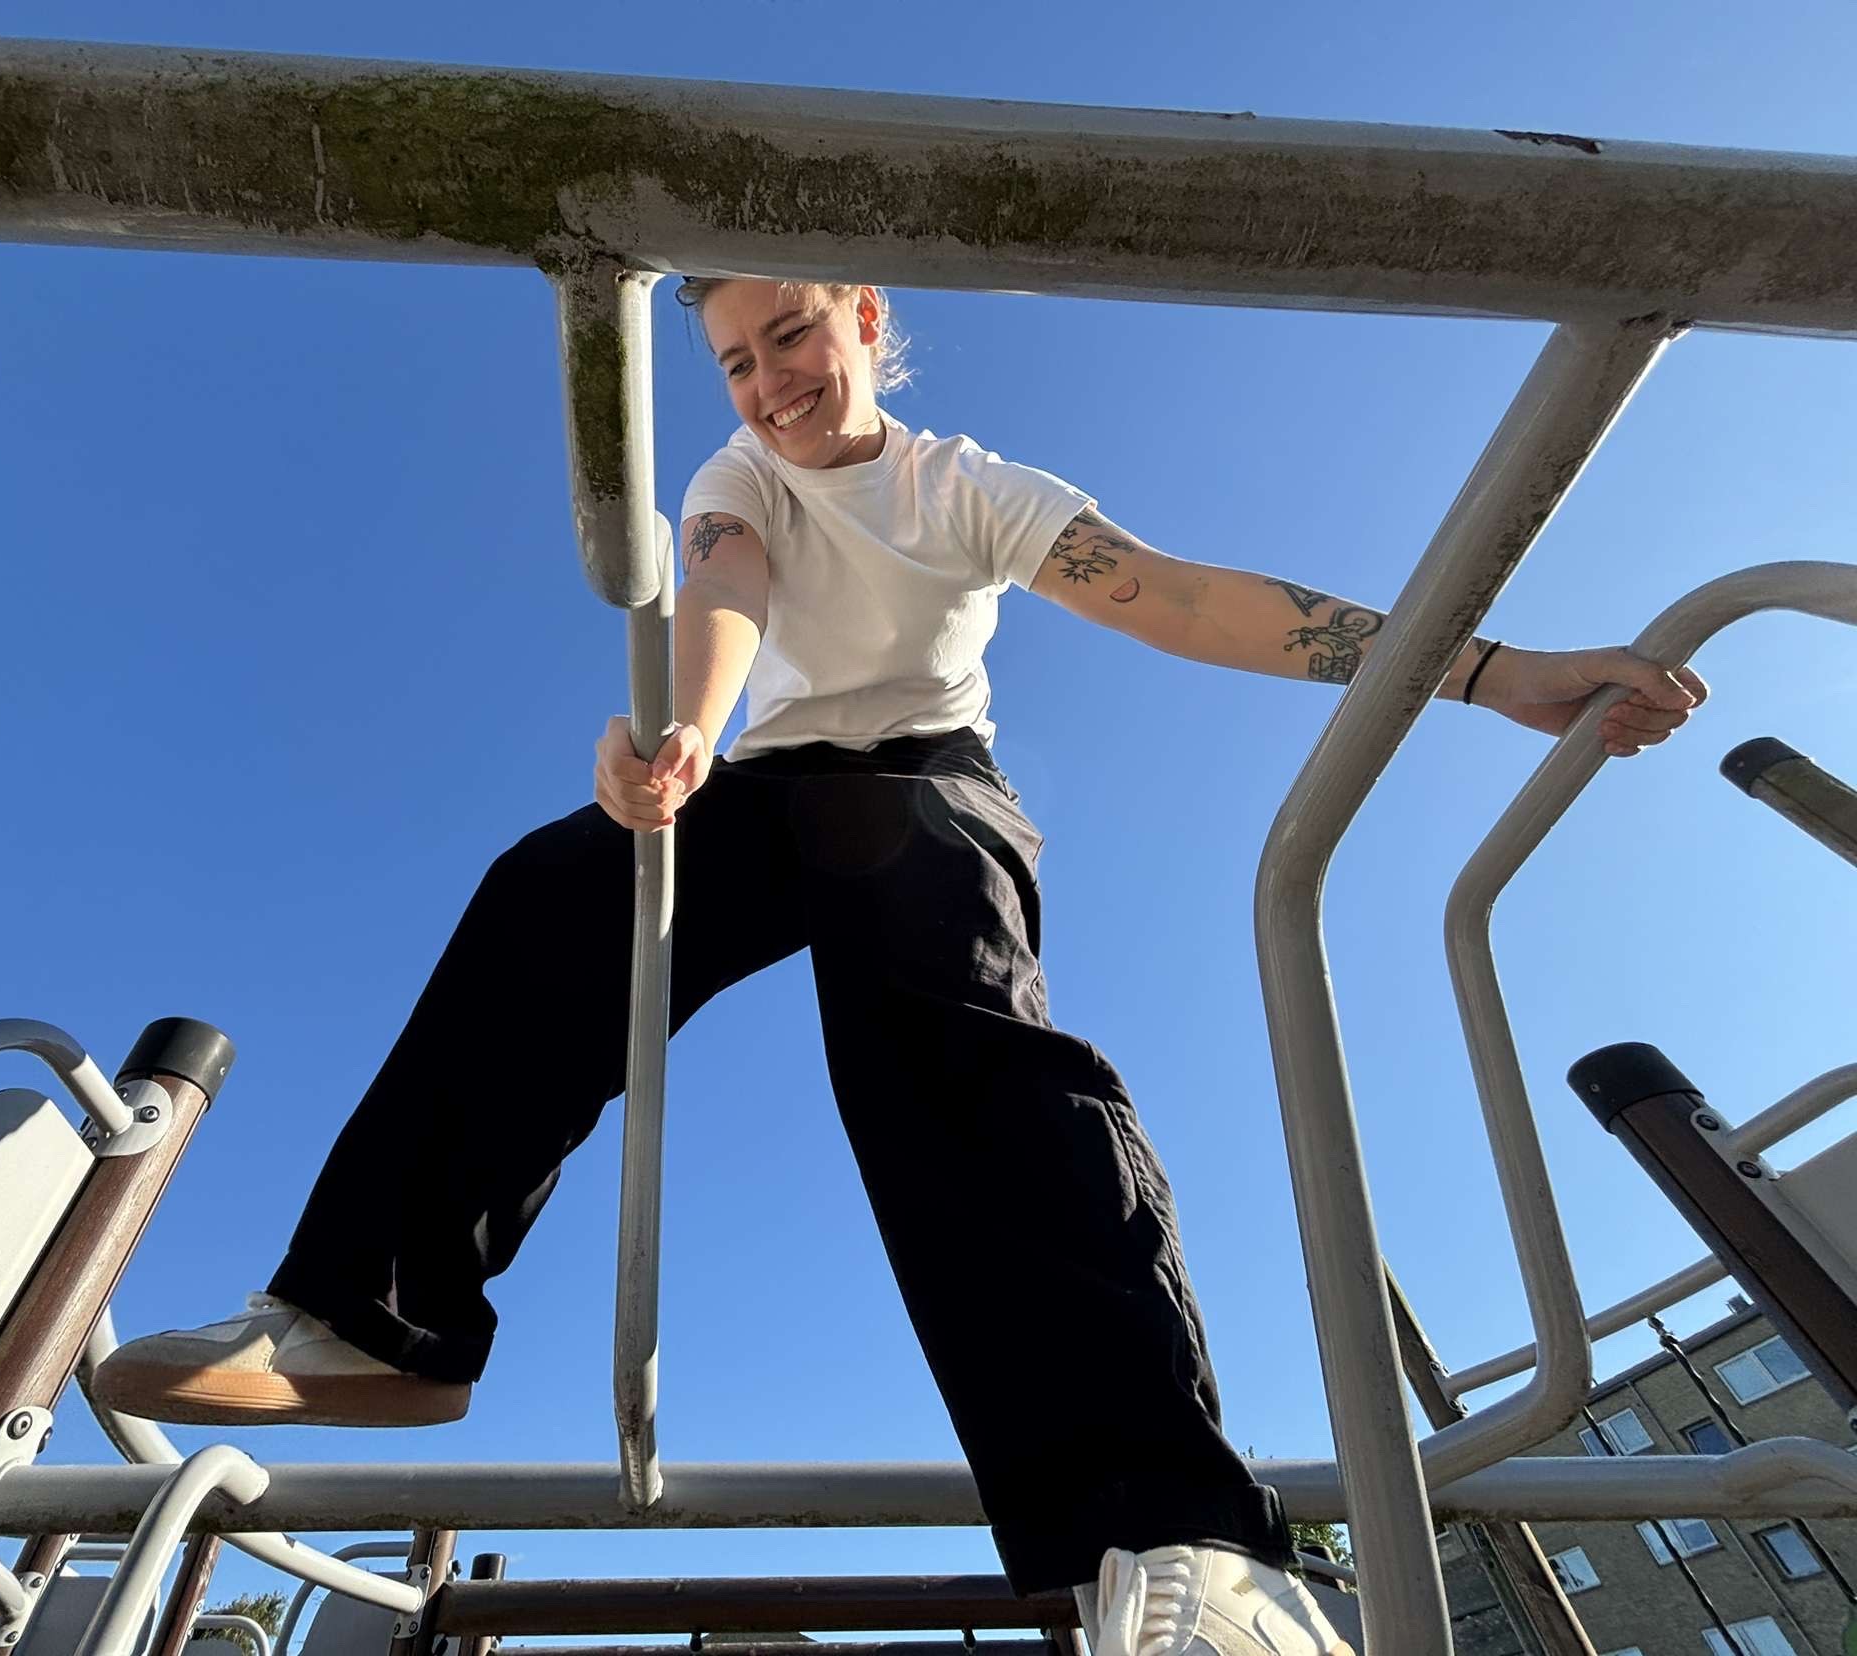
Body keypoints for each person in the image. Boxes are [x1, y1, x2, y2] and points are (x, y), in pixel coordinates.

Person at [96, 278, 1706, 1655]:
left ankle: (1177, 1540)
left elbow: (1174, 595)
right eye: (735, 361)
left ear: (866, 319)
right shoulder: (736, 475)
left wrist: (1492, 674)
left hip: (930, 778)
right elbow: (724, 590)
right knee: (559, 886)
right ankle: (377, 1320)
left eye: (792, 337)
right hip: (757, 775)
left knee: (937, 987)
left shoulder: (969, 487)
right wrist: (685, 740)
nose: (771, 385)